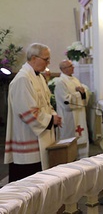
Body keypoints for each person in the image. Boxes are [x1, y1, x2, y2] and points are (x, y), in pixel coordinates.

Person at [4, 43, 62, 182]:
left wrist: (53, 115)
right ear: (34, 58)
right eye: (46, 59)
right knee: (27, 184)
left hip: (41, 137)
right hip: (27, 139)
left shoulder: (39, 77)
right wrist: (50, 120)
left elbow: (47, 103)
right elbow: (26, 111)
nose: (48, 62)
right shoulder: (23, 79)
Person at [54, 59, 89, 158]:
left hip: (79, 115)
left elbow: (83, 94)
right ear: (64, 69)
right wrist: (80, 93)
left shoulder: (75, 79)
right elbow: (66, 102)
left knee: (80, 139)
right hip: (69, 117)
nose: (73, 67)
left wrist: (83, 93)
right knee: (69, 140)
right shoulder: (61, 82)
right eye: (70, 66)